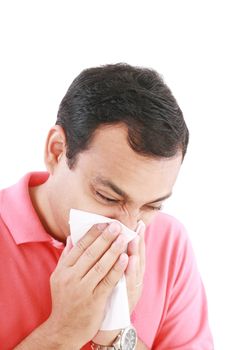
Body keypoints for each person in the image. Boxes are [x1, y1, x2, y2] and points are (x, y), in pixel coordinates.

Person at [0, 63, 214, 349]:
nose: (127, 227)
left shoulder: (169, 243)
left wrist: (114, 333)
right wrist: (63, 332)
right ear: (57, 151)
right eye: (108, 197)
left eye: (152, 206)